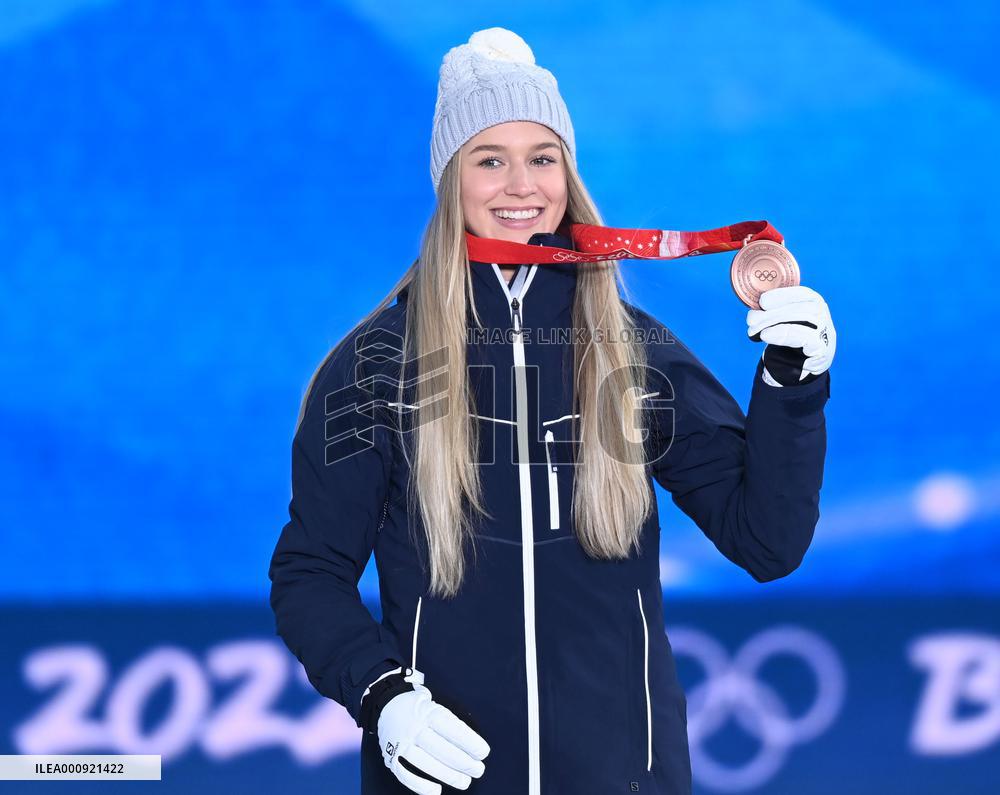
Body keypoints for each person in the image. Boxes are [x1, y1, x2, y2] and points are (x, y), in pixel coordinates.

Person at [268, 26, 836, 795]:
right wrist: (381, 695)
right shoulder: (377, 366)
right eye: (489, 159)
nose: (519, 186)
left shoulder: (631, 352)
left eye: (542, 158)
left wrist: (790, 387)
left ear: (568, 172)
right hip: (445, 778)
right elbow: (310, 573)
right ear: (450, 178)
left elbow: (767, 540)